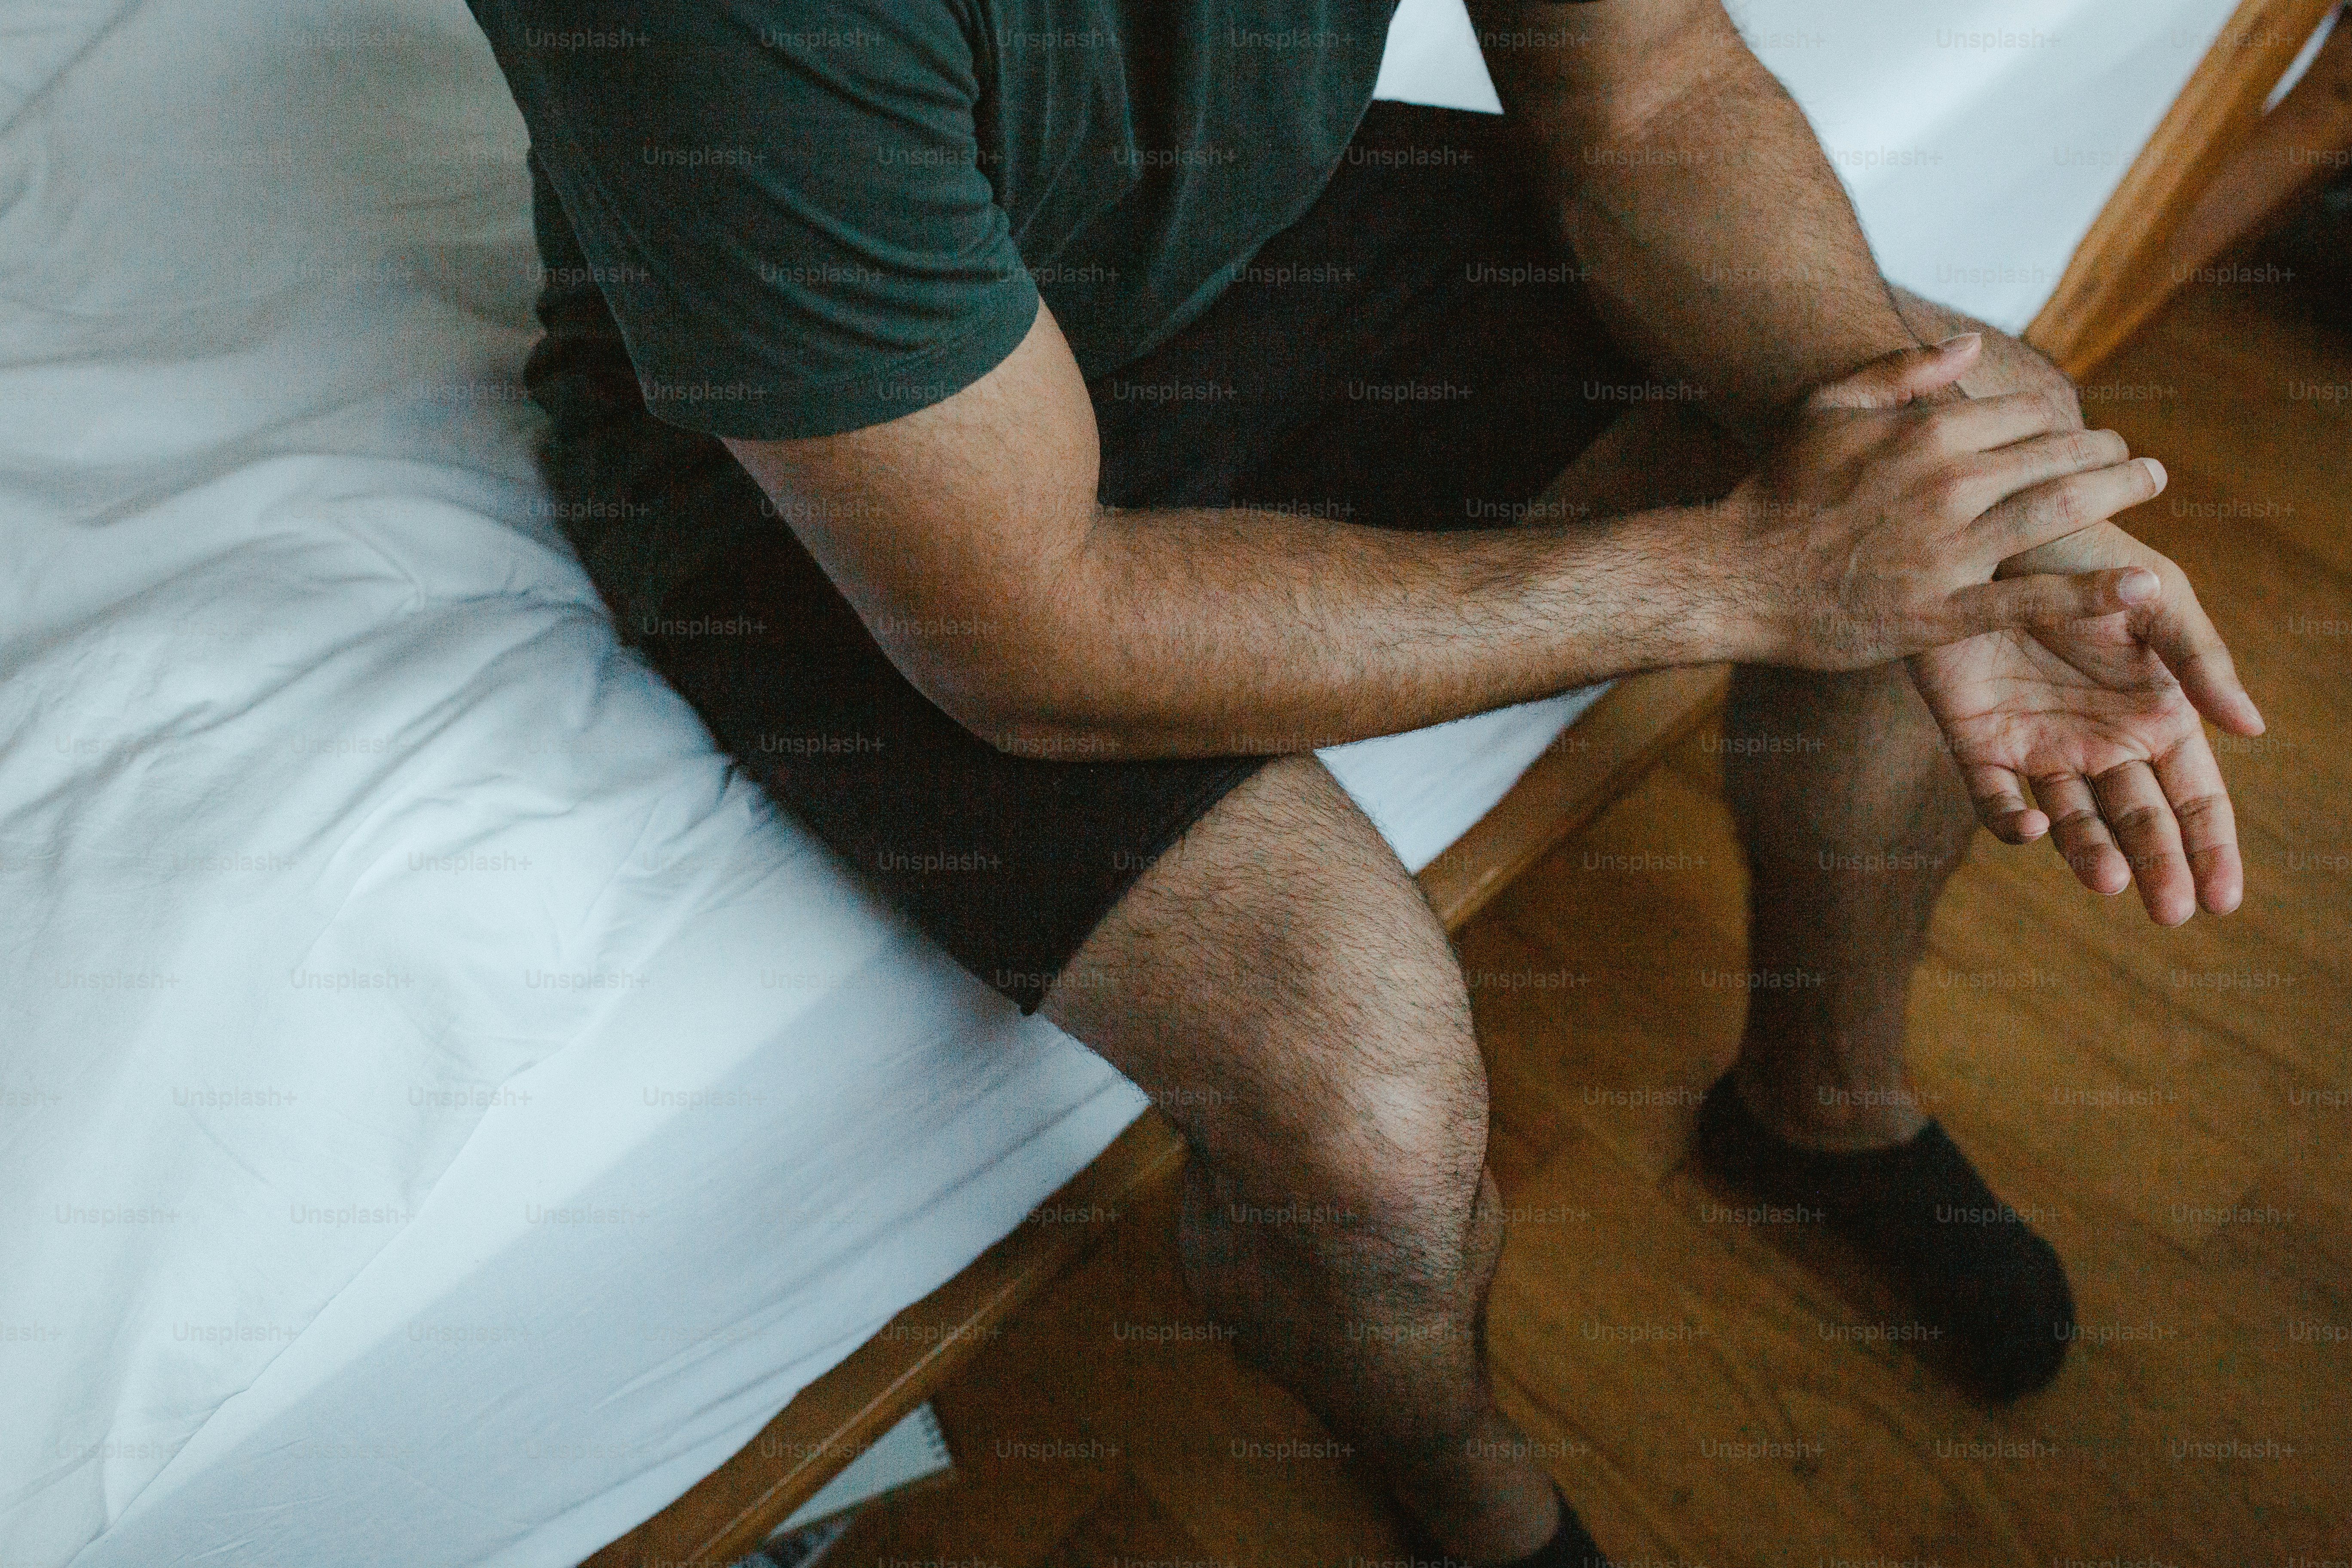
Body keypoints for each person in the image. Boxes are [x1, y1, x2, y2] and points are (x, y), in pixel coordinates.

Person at [465, 1, 2265, 1562]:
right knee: (1373, 1128)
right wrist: (1756, 572)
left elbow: (1646, 86)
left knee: (1974, 483)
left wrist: (1907, 476)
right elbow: (1032, 631)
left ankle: (1823, 1102)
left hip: (1256, 243)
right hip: (857, 486)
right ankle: (1456, 1478)